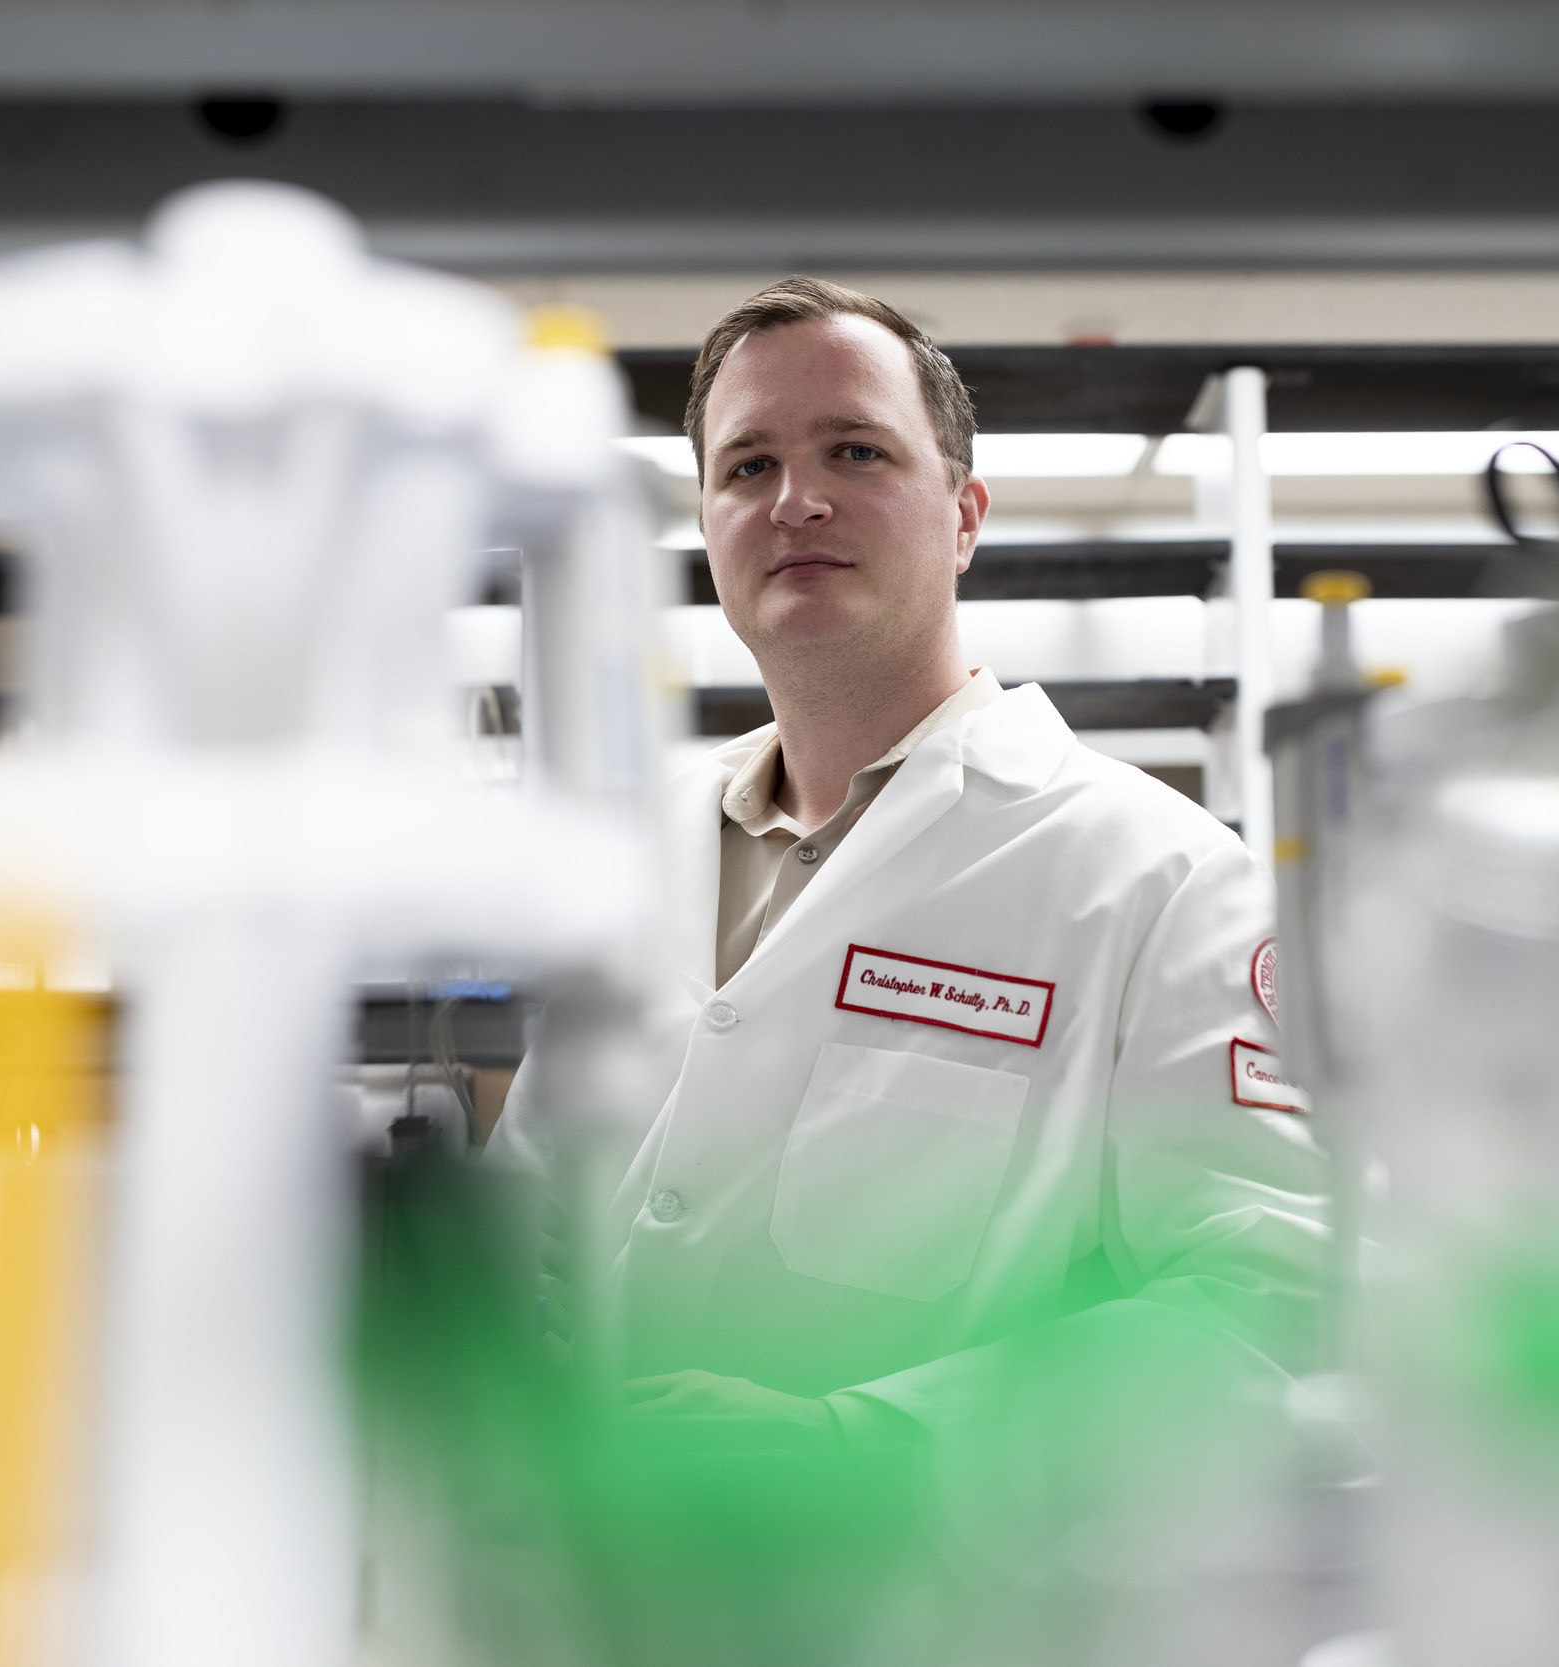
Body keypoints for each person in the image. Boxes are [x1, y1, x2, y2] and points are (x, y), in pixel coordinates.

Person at [492, 276, 1327, 1479]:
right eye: (746, 467)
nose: (797, 500)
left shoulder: (1161, 880)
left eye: (856, 450)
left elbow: (1276, 1293)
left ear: (965, 515)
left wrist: (867, 1439)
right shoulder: (630, 853)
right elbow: (533, 1222)